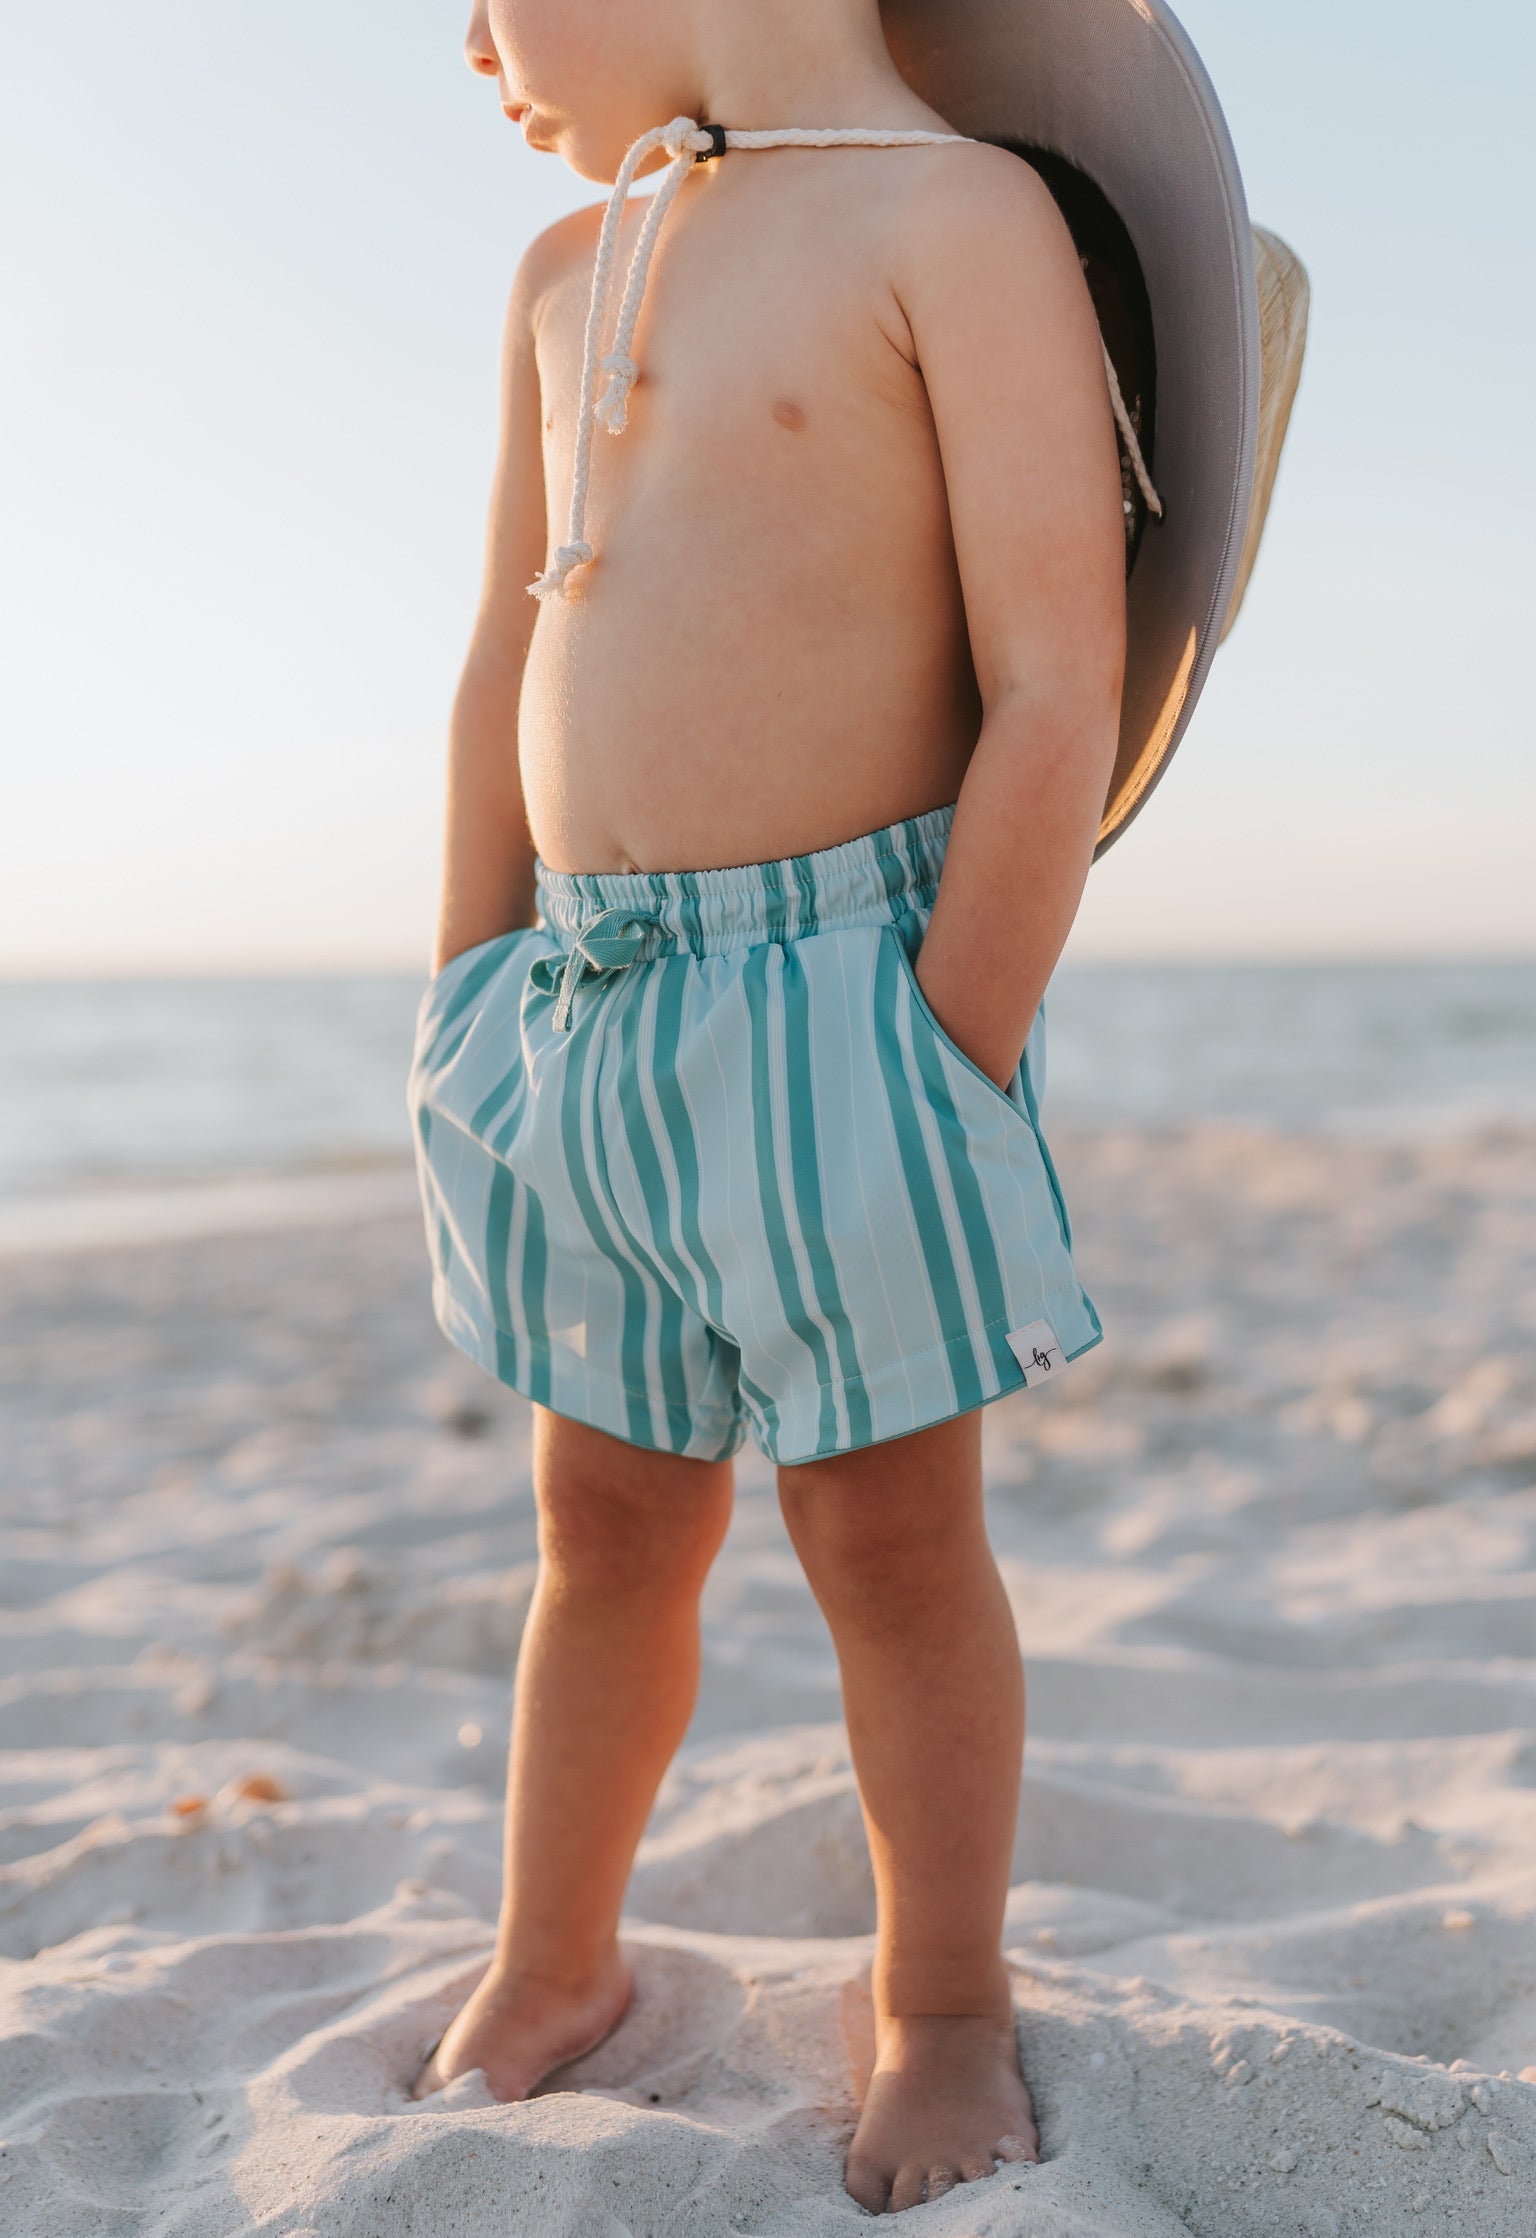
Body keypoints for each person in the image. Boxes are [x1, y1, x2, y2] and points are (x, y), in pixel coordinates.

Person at [408, 0, 1131, 2212]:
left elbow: (1054, 687)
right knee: (603, 1526)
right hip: (579, 1005)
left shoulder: (959, 217)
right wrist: (464, 988)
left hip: (853, 1000)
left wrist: (953, 1044)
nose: (471, 43)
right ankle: (556, 1959)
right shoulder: (566, 274)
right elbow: (495, 665)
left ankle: (941, 2006)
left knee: (888, 1540)